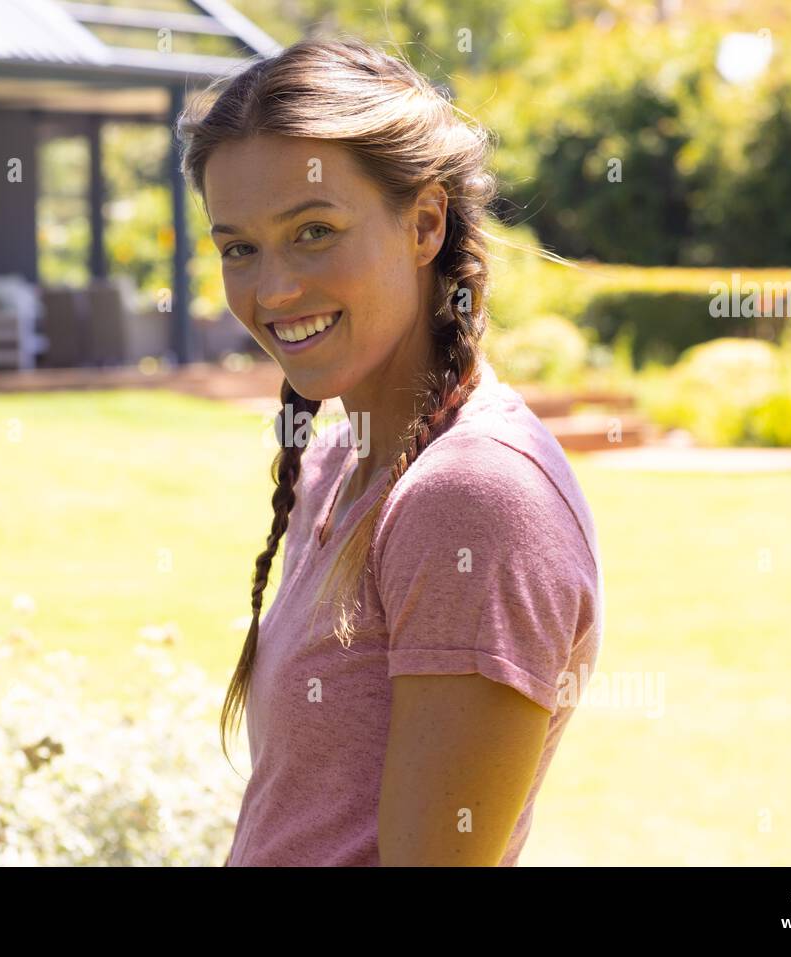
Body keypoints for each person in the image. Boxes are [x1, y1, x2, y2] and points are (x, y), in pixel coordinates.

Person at [177, 35, 605, 866]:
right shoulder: (342, 464)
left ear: (424, 224)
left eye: (313, 231)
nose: (272, 290)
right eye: (239, 248)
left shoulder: (472, 497)